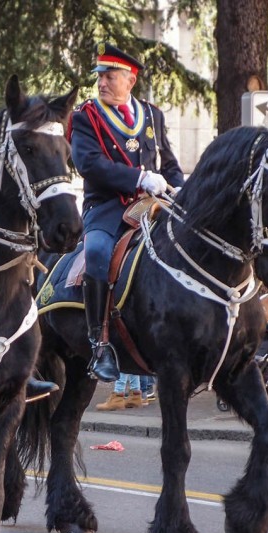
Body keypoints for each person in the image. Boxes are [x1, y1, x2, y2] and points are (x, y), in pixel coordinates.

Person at [70, 42, 184, 382]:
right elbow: (88, 163)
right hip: (107, 207)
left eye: (110, 76)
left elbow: (169, 163)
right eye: (100, 77)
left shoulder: (152, 115)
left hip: (153, 205)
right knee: (97, 253)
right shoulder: (85, 115)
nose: (102, 83)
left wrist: (179, 190)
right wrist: (139, 176)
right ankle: (99, 342)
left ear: (130, 80)